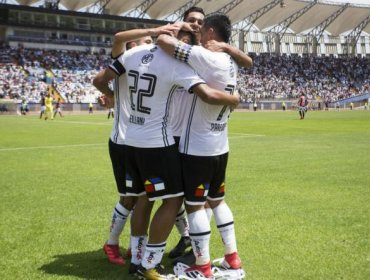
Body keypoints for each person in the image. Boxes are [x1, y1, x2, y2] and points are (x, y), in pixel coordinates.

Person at [94, 31, 240, 280]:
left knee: (142, 199)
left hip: (130, 139)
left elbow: (99, 81)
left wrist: (117, 99)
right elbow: (206, 94)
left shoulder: (133, 54)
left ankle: (138, 257)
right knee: (173, 201)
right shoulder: (174, 64)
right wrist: (234, 98)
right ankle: (151, 264)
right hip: (158, 143)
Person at [157, 13, 246, 279]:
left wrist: (181, 28)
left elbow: (163, 42)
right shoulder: (230, 61)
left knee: (195, 206)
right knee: (217, 202)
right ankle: (232, 257)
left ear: (209, 32)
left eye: (202, 29)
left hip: (197, 147)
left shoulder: (205, 57)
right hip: (221, 145)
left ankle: (203, 265)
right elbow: (245, 59)